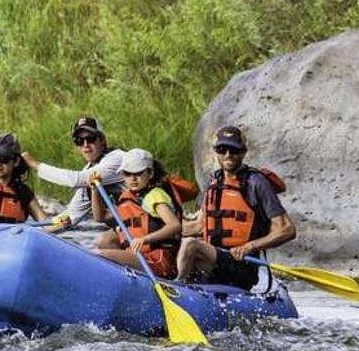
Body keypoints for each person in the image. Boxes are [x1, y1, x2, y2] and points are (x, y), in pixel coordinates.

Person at [177, 125, 295, 289]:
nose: (228, 155)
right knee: (178, 244)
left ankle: (176, 289)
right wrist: (161, 232)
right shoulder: (214, 182)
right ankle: (184, 286)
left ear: (243, 152)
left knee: (191, 245)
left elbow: (287, 230)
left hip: (242, 264)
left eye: (234, 150)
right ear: (215, 152)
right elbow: (198, 226)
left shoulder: (256, 183)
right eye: (222, 150)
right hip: (216, 260)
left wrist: (250, 246)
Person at [89, 148, 186, 277]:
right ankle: (126, 277)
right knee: (104, 241)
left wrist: (145, 239)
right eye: (128, 174)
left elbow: (175, 225)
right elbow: (100, 217)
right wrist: (95, 191)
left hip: (158, 259)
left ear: (150, 173)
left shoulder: (155, 195)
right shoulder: (130, 196)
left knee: (100, 256)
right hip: (140, 256)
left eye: (139, 173)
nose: (133, 179)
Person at [38, 116, 125, 231]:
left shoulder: (116, 159)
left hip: (143, 223)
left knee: (104, 240)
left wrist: (36, 165)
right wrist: (38, 231)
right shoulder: (88, 172)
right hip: (125, 228)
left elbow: (74, 180)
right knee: (104, 239)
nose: (85, 145)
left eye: (90, 139)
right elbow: (71, 215)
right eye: (79, 141)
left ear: (102, 140)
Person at [0, 132, 51, 224]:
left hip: (13, 232)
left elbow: (45, 223)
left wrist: (62, 222)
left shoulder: (23, 192)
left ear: (16, 161)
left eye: (4, 159)